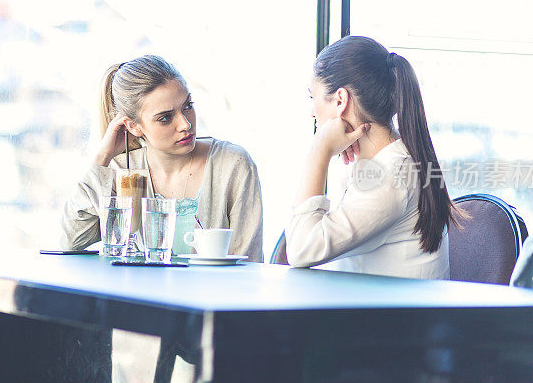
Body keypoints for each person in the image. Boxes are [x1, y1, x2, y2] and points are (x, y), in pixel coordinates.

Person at [61, 55, 264, 263]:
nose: (185, 124)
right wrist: (101, 158)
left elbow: (248, 261)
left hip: (213, 295)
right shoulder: (121, 173)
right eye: (165, 117)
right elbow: (71, 240)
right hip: (137, 296)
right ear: (133, 126)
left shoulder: (232, 164)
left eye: (188, 105)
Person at [286, 36, 458, 278]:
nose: (312, 112)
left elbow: (300, 250)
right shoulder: (388, 163)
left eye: (312, 98)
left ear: (340, 100)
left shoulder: (389, 177)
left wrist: (320, 149)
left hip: (390, 316)